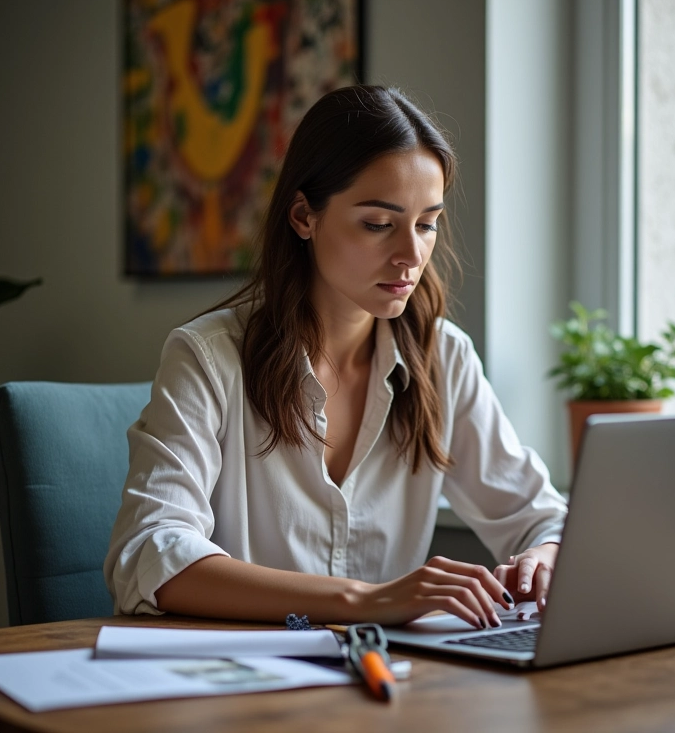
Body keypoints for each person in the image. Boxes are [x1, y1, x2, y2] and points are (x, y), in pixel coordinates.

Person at [105, 85, 567, 630]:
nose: (411, 256)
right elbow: (151, 553)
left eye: (427, 223)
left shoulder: (445, 358)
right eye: (378, 224)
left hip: (391, 688)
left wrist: (543, 557)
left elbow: (543, 518)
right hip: (244, 692)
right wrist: (362, 600)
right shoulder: (208, 358)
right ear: (304, 216)